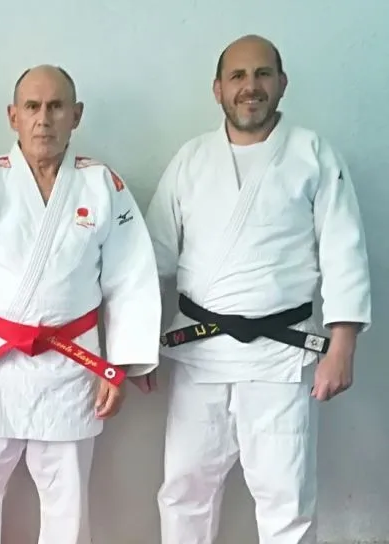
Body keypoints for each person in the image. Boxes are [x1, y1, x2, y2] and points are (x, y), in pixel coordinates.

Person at [0, 64, 162, 544]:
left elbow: (131, 280)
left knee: (67, 504)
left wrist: (119, 364)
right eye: (32, 106)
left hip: (72, 369)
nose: (44, 119)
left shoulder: (103, 186)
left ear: (77, 115)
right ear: (13, 116)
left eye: (56, 107)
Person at [146, 34, 371, 544]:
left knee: (286, 502)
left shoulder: (313, 154)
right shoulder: (191, 159)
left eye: (263, 74)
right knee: (183, 492)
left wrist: (342, 346)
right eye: (238, 76)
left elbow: (344, 252)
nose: (251, 86)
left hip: (281, 359)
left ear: (282, 83)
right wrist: (135, 348)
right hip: (200, 355)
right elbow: (154, 258)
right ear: (218, 89)